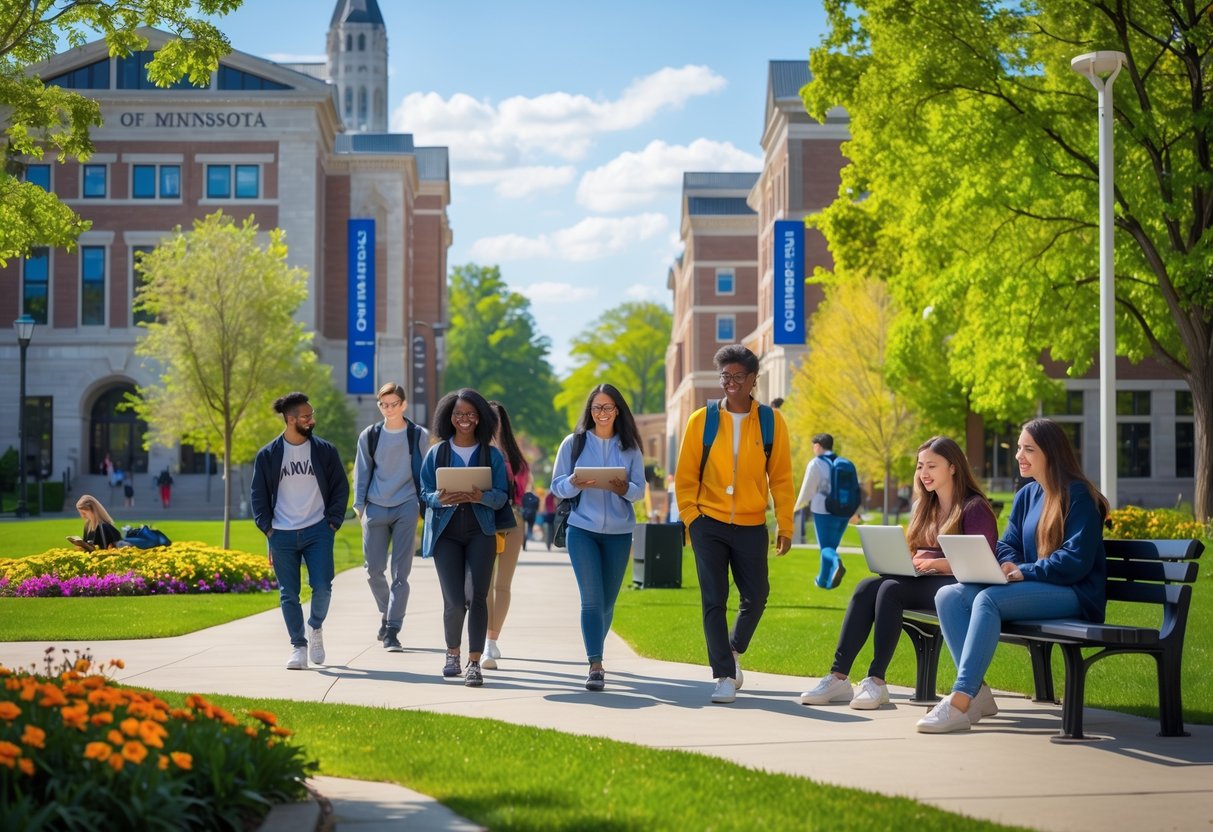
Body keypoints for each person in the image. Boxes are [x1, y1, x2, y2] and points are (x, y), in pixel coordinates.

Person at [917, 418, 1110, 733]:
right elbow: (1007, 544)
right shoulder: (1028, 494)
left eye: (1028, 449)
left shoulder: (1078, 496)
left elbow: (1075, 561)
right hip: (1035, 587)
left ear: (1051, 452)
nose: (1019, 455)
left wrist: (1025, 570)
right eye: (1019, 448)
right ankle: (978, 693)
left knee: (988, 600)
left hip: (1073, 592)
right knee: (949, 595)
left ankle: (960, 699)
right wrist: (1007, 565)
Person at [799, 436, 998, 709]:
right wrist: (906, 561)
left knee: (890, 590)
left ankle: (876, 681)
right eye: (920, 466)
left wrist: (935, 564)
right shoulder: (923, 506)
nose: (923, 473)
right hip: (924, 580)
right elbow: (915, 549)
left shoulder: (974, 507)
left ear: (953, 467)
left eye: (931, 466)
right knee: (867, 587)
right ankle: (838, 677)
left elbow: (981, 563)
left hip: (957, 585)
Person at [674, 344, 794, 704]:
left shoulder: (772, 421)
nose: (730, 383)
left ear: (754, 379)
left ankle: (734, 651)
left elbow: (782, 478)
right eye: (725, 376)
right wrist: (692, 518)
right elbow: (684, 477)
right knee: (714, 599)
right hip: (707, 522)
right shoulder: (702, 420)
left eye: (738, 376)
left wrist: (784, 525)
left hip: (751, 523)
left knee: (756, 596)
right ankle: (723, 675)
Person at [549, 383, 645, 691]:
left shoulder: (629, 448)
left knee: (606, 604)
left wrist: (622, 489)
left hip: (619, 532)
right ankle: (596, 665)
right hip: (582, 530)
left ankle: (595, 650)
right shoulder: (573, 443)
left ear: (618, 411)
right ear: (590, 412)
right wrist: (575, 483)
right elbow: (557, 487)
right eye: (596, 408)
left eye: (607, 407)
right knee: (591, 601)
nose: (601, 413)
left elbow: (639, 490)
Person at [251, 392, 349, 671]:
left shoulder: (324, 451)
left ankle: (315, 627)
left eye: (311, 414)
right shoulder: (268, 455)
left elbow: (340, 487)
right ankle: (298, 646)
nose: (311, 420)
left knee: (322, 587)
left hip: (318, 530)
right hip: (281, 533)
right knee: (288, 593)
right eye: (306, 416)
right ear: (291, 419)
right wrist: (268, 529)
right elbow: (258, 495)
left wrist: (332, 523)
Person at [419, 388, 509, 687]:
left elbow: (501, 498)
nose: (465, 420)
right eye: (458, 414)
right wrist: (439, 498)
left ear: (480, 417)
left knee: (478, 598)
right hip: (446, 533)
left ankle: (473, 662)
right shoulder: (437, 453)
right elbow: (425, 493)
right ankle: (451, 654)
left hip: (480, 531)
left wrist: (481, 496)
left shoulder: (491, 454)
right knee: (454, 602)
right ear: (449, 417)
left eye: (470, 414)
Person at [352, 382, 429, 653]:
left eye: (394, 404)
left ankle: (393, 630)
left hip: (406, 505)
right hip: (374, 506)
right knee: (373, 570)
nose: (389, 409)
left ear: (404, 405)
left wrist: (426, 504)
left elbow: (427, 471)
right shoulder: (370, 435)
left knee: (400, 573)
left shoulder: (418, 435)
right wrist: (359, 505)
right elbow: (361, 472)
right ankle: (387, 614)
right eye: (384, 404)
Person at [482, 401, 529, 670]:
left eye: (496, 419)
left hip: (512, 520)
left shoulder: (516, 459)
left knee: (503, 585)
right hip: (484, 522)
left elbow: (520, 492)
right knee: (484, 585)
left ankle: (492, 640)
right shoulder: (475, 452)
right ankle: (484, 640)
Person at [795, 433, 848, 589]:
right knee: (830, 546)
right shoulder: (843, 463)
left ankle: (837, 561)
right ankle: (824, 581)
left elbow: (808, 489)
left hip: (823, 511)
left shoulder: (816, 463)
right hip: (843, 512)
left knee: (826, 548)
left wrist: (797, 506)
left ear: (818, 446)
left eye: (814, 446)